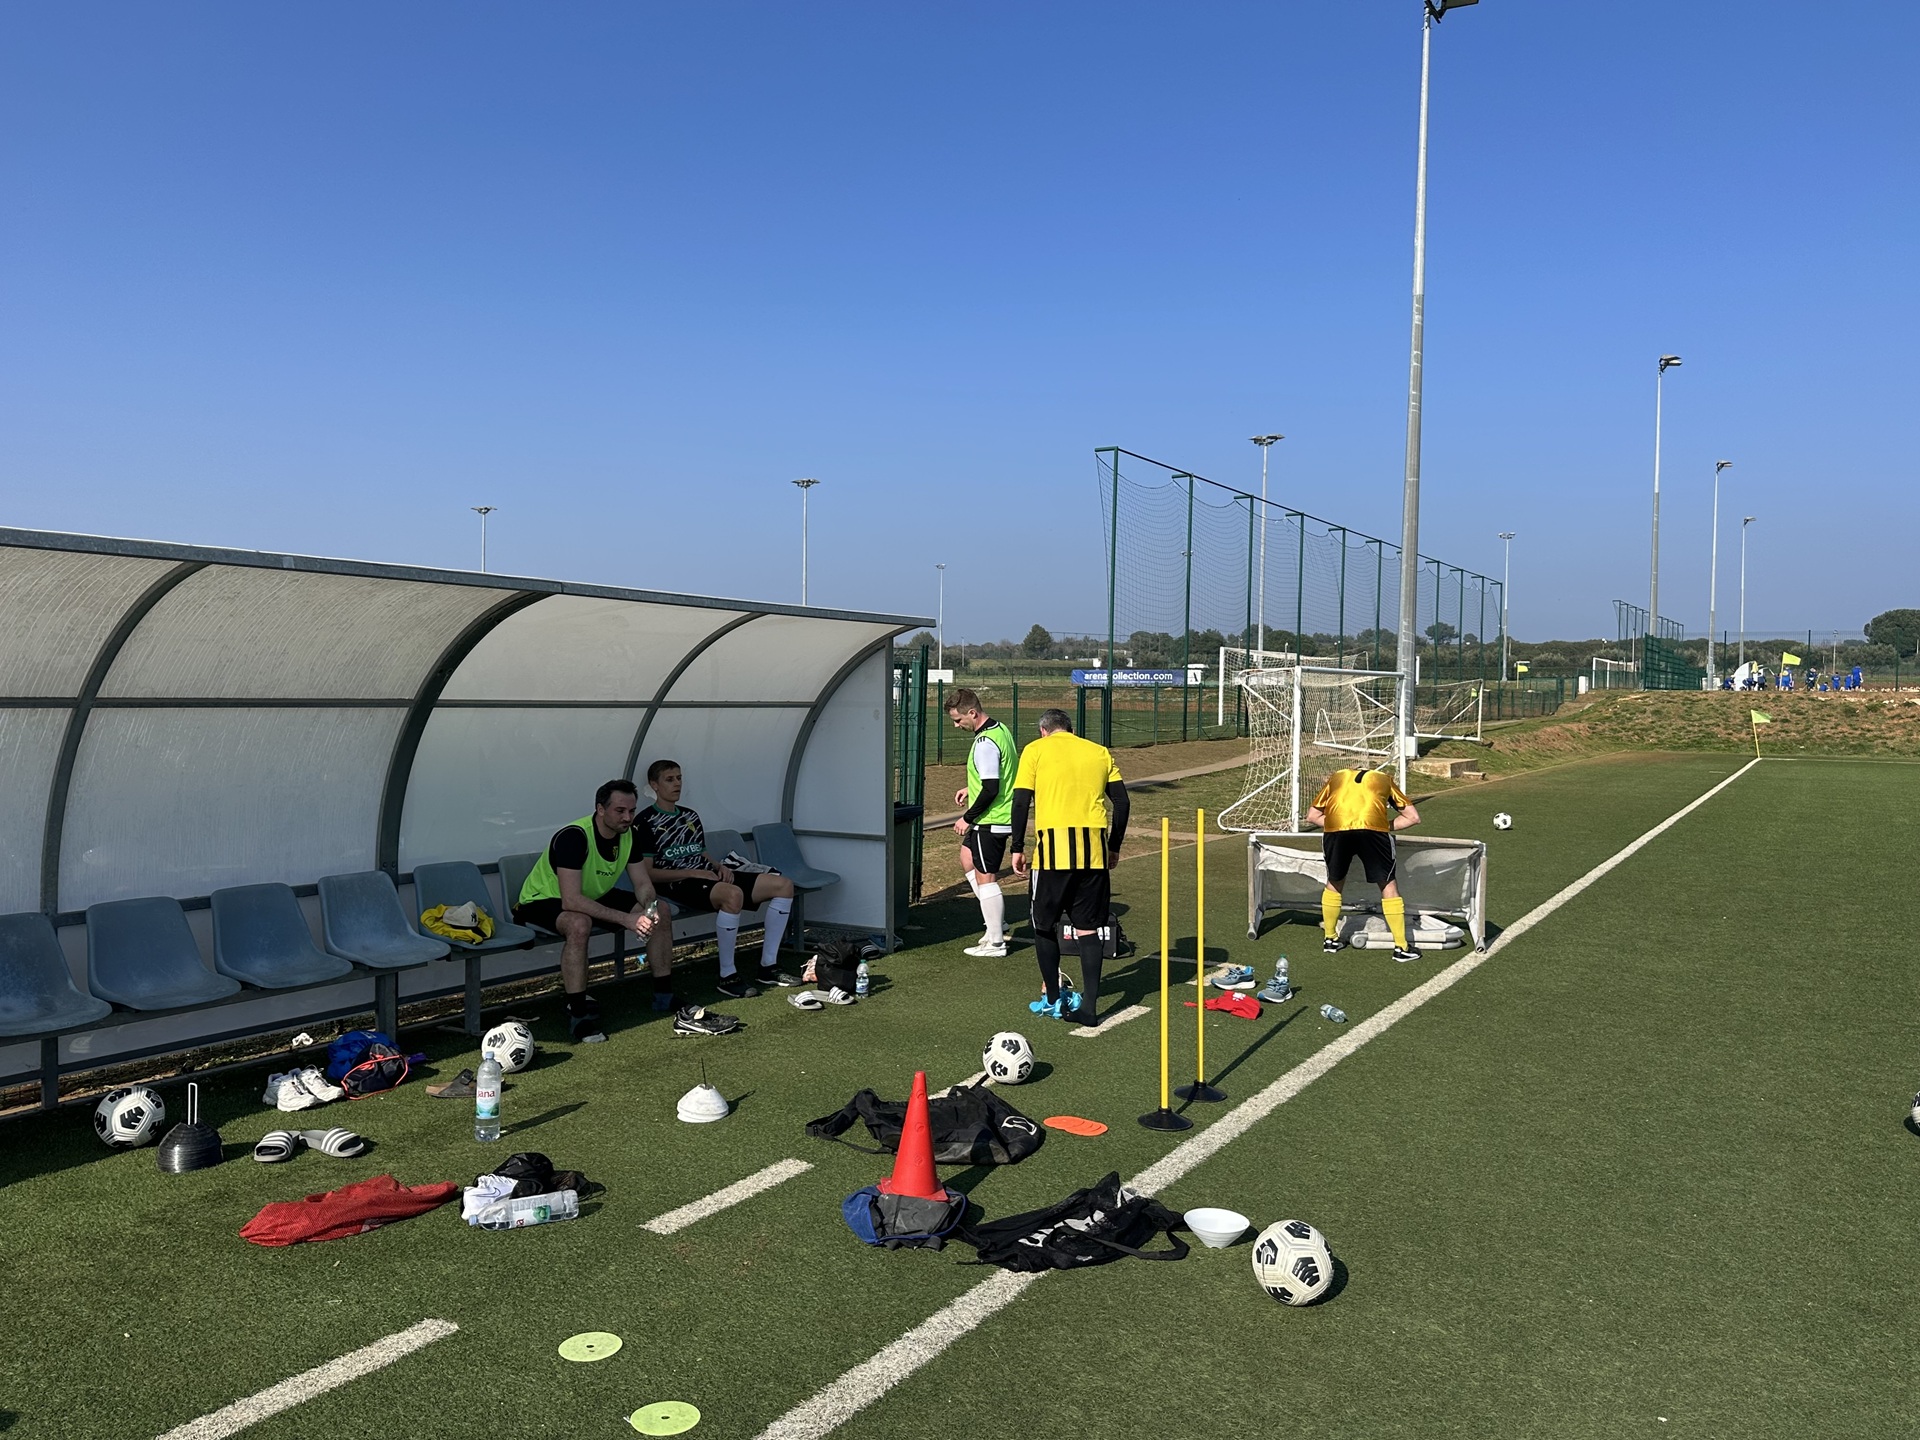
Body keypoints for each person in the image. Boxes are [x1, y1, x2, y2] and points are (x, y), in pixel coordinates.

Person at [513, 778, 673, 1042]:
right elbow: (572, 901)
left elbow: (643, 883)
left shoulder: (630, 834)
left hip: (590, 895)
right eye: (619, 811)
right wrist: (628, 919)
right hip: (542, 900)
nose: (627, 817)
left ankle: (664, 996)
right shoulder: (573, 837)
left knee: (662, 910)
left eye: (631, 811)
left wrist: (649, 907)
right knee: (579, 924)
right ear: (600, 809)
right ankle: (578, 1014)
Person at [638, 759, 798, 999]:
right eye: (669, 779)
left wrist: (718, 866)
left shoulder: (690, 816)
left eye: (679, 778)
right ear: (654, 785)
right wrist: (693, 873)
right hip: (677, 883)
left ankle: (768, 966)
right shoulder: (645, 821)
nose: (677, 784)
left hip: (707, 875)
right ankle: (728, 975)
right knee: (733, 895)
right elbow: (649, 873)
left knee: (783, 885)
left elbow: (699, 852)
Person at [1008, 709, 1129, 1024]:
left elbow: (1020, 801)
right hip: (1094, 852)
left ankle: (1052, 998)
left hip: (1053, 852)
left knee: (1043, 925)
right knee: (1088, 929)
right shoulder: (1099, 752)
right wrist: (1114, 845)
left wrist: (1017, 847)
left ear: (1043, 731)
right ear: (1071, 730)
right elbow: (1122, 802)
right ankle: (1089, 1008)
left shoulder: (1035, 750)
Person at [1304, 765, 1423, 963]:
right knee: (1388, 884)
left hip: (1336, 831)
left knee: (1334, 881)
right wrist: (1381, 825)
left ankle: (1330, 939)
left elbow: (1312, 816)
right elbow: (1413, 817)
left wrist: (1339, 824)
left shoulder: (1337, 777)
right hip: (1373, 831)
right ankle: (1401, 947)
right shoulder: (1384, 778)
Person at [946, 688, 1019, 958]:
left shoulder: (985, 742)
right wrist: (970, 788)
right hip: (995, 815)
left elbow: (991, 788)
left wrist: (967, 817)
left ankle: (996, 941)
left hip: (992, 819)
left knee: (986, 877)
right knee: (967, 858)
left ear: (972, 713)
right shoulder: (1000, 729)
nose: (956, 726)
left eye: (958, 720)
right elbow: (998, 775)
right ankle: (995, 922)